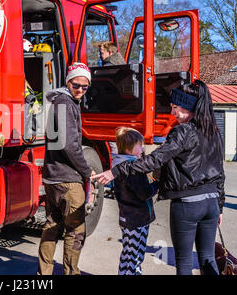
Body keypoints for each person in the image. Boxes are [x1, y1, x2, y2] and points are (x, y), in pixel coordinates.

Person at [92, 80, 226, 275]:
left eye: (176, 108)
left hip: (187, 205)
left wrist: (116, 170)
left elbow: (154, 161)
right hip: (211, 204)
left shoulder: (182, 132)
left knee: (185, 262)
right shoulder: (213, 131)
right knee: (208, 258)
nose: (172, 113)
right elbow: (219, 172)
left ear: (189, 107)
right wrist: (220, 205)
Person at [38, 62, 93, 275]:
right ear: (68, 82)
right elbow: (70, 145)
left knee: (52, 226)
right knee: (76, 231)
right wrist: (87, 171)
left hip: (53, 178)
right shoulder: (66, 103)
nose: (80, 90)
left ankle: (44, 275)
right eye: (76, 84)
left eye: (85, 87)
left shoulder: (59, 102)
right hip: (67, 179)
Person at [112, 127, 159, 275]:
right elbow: (144, 193)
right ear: (128, 149)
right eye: (140, 144)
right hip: (138, 219)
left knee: (127, 253)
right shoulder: (134, 170)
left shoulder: (119, 165)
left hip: (127, 218)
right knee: (136, 256)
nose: (143, 147)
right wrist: (158, 184)